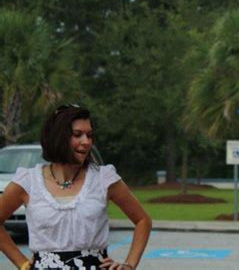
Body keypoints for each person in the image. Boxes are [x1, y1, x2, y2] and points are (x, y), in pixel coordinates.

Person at [0, 104, 152, 269]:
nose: (86, 142)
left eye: (89, 135)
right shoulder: (28, 181)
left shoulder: (104, 178)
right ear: (58, 137)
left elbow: (143, 220)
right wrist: (21, 263)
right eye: (77, 135)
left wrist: (129, 265)